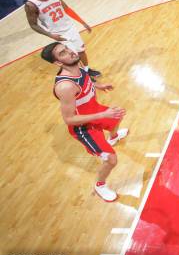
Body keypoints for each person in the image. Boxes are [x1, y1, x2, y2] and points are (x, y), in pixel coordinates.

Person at [41, 42, 128, 202]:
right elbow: (69, 119)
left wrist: (99, 86)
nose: (70, 52)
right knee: (111, 159)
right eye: (63, 53)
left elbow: (85, 79)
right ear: (58, 63)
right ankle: (100, 185)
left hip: (95, 110)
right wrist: (102, 115)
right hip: (83, 127)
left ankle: (113, 138)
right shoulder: (65, 86)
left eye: (66, 48)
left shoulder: (76, 63)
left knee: (118, 115)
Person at [24, 0, 101, 78]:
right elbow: (33, 25)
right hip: (58, 34)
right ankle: (81, 77)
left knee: (81, 51)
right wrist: (51, 35)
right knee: (72, 57)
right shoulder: (31, 5)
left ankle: (86, 70)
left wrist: (82, 22)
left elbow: (67, 9)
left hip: (70, 28)